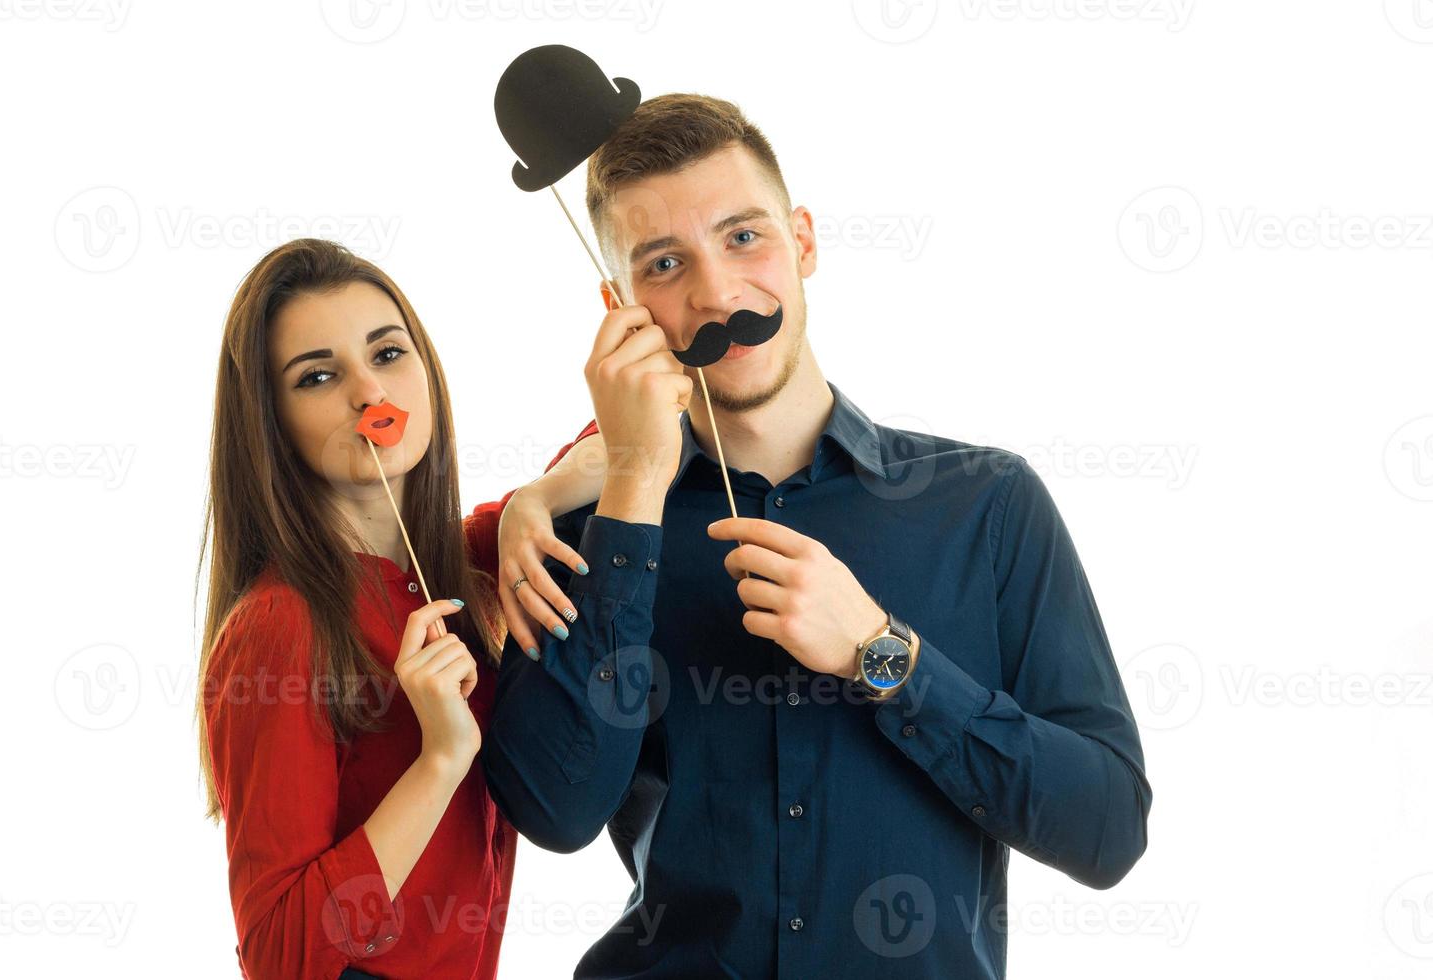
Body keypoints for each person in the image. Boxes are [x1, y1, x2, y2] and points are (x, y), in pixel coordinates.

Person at [481, 94, 1153, 979]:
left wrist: (883, 654)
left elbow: (1106, 833)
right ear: (620, 304)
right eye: (665, 262)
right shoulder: (588, 531)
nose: (717, 292)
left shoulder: (988, 504)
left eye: (743, 237)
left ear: (802, 241)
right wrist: (635, 484)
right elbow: (555, 811)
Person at [194, 238, 606, 978]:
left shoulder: (465, 563)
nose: (366, 392)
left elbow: (616, 438)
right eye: (318, 376)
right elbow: (278, 956)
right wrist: (440, 760)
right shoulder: (277, 628)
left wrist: (536, 501)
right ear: (270, 422)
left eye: (387, 354)